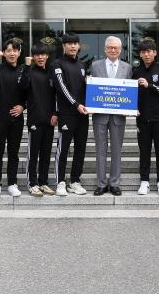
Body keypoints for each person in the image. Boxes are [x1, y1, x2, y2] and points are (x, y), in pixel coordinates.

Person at [89, 36, 133, 196]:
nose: (113, 50)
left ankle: (114, 183)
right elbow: (92, 88)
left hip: (118, 116)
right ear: (105, 49)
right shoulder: (95, 65)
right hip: (100, 115)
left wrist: (129, 107)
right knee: (100, 150)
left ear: (120, 50)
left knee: (116, 150)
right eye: (110, 47)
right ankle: (101, 184)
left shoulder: (127, 67)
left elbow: (128, 91)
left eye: (116, 48)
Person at [0, 38, 27, 199]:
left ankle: (12, 183)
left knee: (13, 153)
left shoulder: (23, 70)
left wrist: (23, 106)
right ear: (4, 53)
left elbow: (29, 93)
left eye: (15, 50)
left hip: (16, 119)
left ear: (19, 53)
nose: (12, 53)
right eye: (8, 50)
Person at [51, 32, 89, 196]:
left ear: (79, 46)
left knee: (80, 148)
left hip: (83, 114)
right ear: (64, 46)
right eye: (69, 43)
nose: (73, 46)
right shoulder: (57, 64)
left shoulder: (82, 65)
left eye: (75, 43)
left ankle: (75, 181)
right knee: (63, 148)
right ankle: (60, 182)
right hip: (67, 113)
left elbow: (86, 88)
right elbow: (61, 87)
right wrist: (76, 104)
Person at [132, 39, 159, 196]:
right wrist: (132, 109)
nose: (146, 54)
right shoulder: (137, 71)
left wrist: (150, 85)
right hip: (142, 119)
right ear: (140, 54)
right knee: (144, 151)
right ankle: (144, 182)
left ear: (155, 52)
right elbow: (131, 94)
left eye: (149, 51)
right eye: (143, 52)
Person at [20, 42, 57, 197]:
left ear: (47, 56)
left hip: (49, 120)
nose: (41, 57)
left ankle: (43, 182)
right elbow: (22, 87)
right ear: (33, 57)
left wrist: (56, 113)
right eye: (37, 55)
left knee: (46, 154)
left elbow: (56, 95)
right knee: (33, 154)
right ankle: (32, 184)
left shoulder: (50, 72)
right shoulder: (28, 71)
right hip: (35, 119)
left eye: (43, 54)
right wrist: (27, 66)